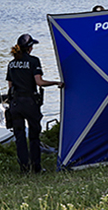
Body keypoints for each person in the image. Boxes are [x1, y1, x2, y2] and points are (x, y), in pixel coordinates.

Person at [6, 34, 64, 173]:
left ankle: (24, 169)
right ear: (30, 48)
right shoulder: (34, 61)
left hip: (15, 104)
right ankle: (36, 168)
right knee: (34, 137)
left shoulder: (11, 63)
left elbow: (10, 86)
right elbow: (39, 82)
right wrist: (56, 82)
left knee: (19, 137)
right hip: (30, 103)